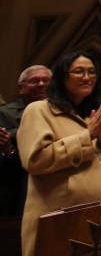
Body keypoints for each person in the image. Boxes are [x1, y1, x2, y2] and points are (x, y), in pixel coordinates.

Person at [17, 51, 101, 256]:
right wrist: (86, 136)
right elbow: (36, 160)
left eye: (91, 72)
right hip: (60, 221)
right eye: (79, 71)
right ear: (62, 76)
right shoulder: (40, 111)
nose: (87, 77)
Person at [0, 65, 52, 217]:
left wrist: (14, 134)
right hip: (17, 189)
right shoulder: (5, 114)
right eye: (34, 80)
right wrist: (8, 148)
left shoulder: (65, 111)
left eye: (46, 80)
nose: (41, 84)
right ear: (21, 88)